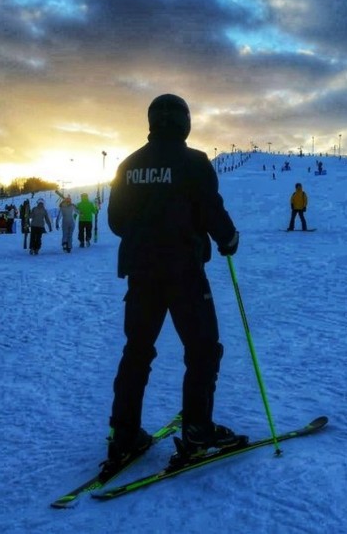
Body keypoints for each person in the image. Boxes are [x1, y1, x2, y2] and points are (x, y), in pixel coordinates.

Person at [105, 93, 244, 465]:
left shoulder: (129, 164)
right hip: (184, 272)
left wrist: (145, 230)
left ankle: (124, 433)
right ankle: (197, 430)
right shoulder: (194, 161)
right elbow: (212, 210)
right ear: (185, 122)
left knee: (137, 351)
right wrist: (227, 238)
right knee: (202, 350)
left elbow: (116, 220)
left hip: (141, 272)